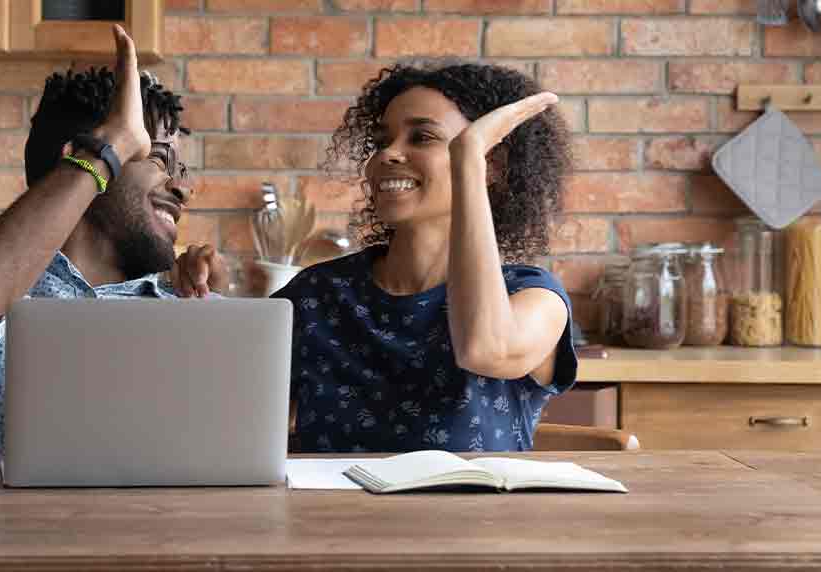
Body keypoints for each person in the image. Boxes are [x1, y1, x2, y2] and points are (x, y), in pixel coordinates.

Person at [187, 62, 577, 453]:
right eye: (381, 141)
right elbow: (226, 414)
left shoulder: (534, 297)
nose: (387, 154)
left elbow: (484, 348)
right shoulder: (318, 294)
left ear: (494, 165)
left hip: (475, 516)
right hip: (325, 515)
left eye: (422, 137)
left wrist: (469, 156)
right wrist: (211, 310)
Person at [0, 26, 225, 456]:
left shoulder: (182, 304)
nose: (182, 188)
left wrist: (214, 321)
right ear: (78, 157)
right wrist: (111, 145)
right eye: (158, 158)